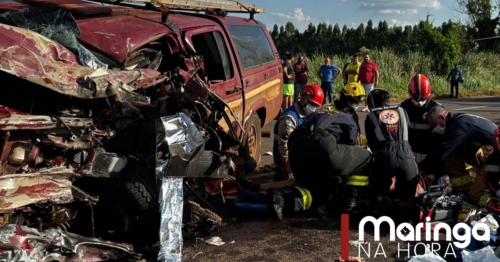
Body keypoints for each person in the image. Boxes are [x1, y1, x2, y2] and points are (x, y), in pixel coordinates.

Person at [286, 86, 372, 215]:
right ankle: (352, 202)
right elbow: (349, 148)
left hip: (295, 148)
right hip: (321, 144)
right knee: (364, 157)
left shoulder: (322, 111)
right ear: (350, 101)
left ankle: (282, 196)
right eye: (357, 101)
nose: (358, 104)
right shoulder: (348, 119)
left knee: (314, 191)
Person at [364, 88, 419, 221]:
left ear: (372, 101)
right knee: (409, 189)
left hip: (384, 153)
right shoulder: (402, 110)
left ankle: (382, 210)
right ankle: (403, 212)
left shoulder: (371, 115)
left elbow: (372, 143)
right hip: (406, 151)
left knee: (377, 188)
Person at [425, 106, 497, 207]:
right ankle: (463, 190)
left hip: (494, 160)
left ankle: (495, 205)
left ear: (442, 117)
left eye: (434, 125)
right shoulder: (456, 121)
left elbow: (442, 153)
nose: (434, 130)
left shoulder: (459, 125)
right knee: (452, 154)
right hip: (487, 156)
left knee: (476, 196)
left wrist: (427, 174)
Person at [273, 84, 324, 182]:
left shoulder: (306, 114)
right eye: (312, 105)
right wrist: (290, 171)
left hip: (299, 160)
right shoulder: (289, 118)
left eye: (316, 106)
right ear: (304, 99)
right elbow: (284, 146)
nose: (314, 108)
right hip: (285, 165)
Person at [400, 74, 445, 180]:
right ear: (409, 92)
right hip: (409, 149)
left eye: (423, 99)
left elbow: (440, 140)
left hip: (429, 150)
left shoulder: (436, 108)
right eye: (416, 99)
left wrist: (427, 156)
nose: (419, 103)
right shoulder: (404, 107)